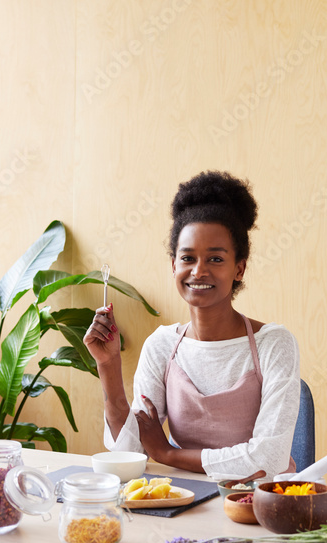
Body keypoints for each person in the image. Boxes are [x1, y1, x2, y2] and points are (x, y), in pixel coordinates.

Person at [85, 171, 301, 480]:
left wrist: (169, 454)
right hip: (183, 500)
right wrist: (108, 365)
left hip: (256, 504)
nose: (198, 271)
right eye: (188, 258)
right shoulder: (161, 345)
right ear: (174, 265)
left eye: (215, 259)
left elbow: (268, 458)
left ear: (239, 268)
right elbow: (130, 450)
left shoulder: (274, 344)